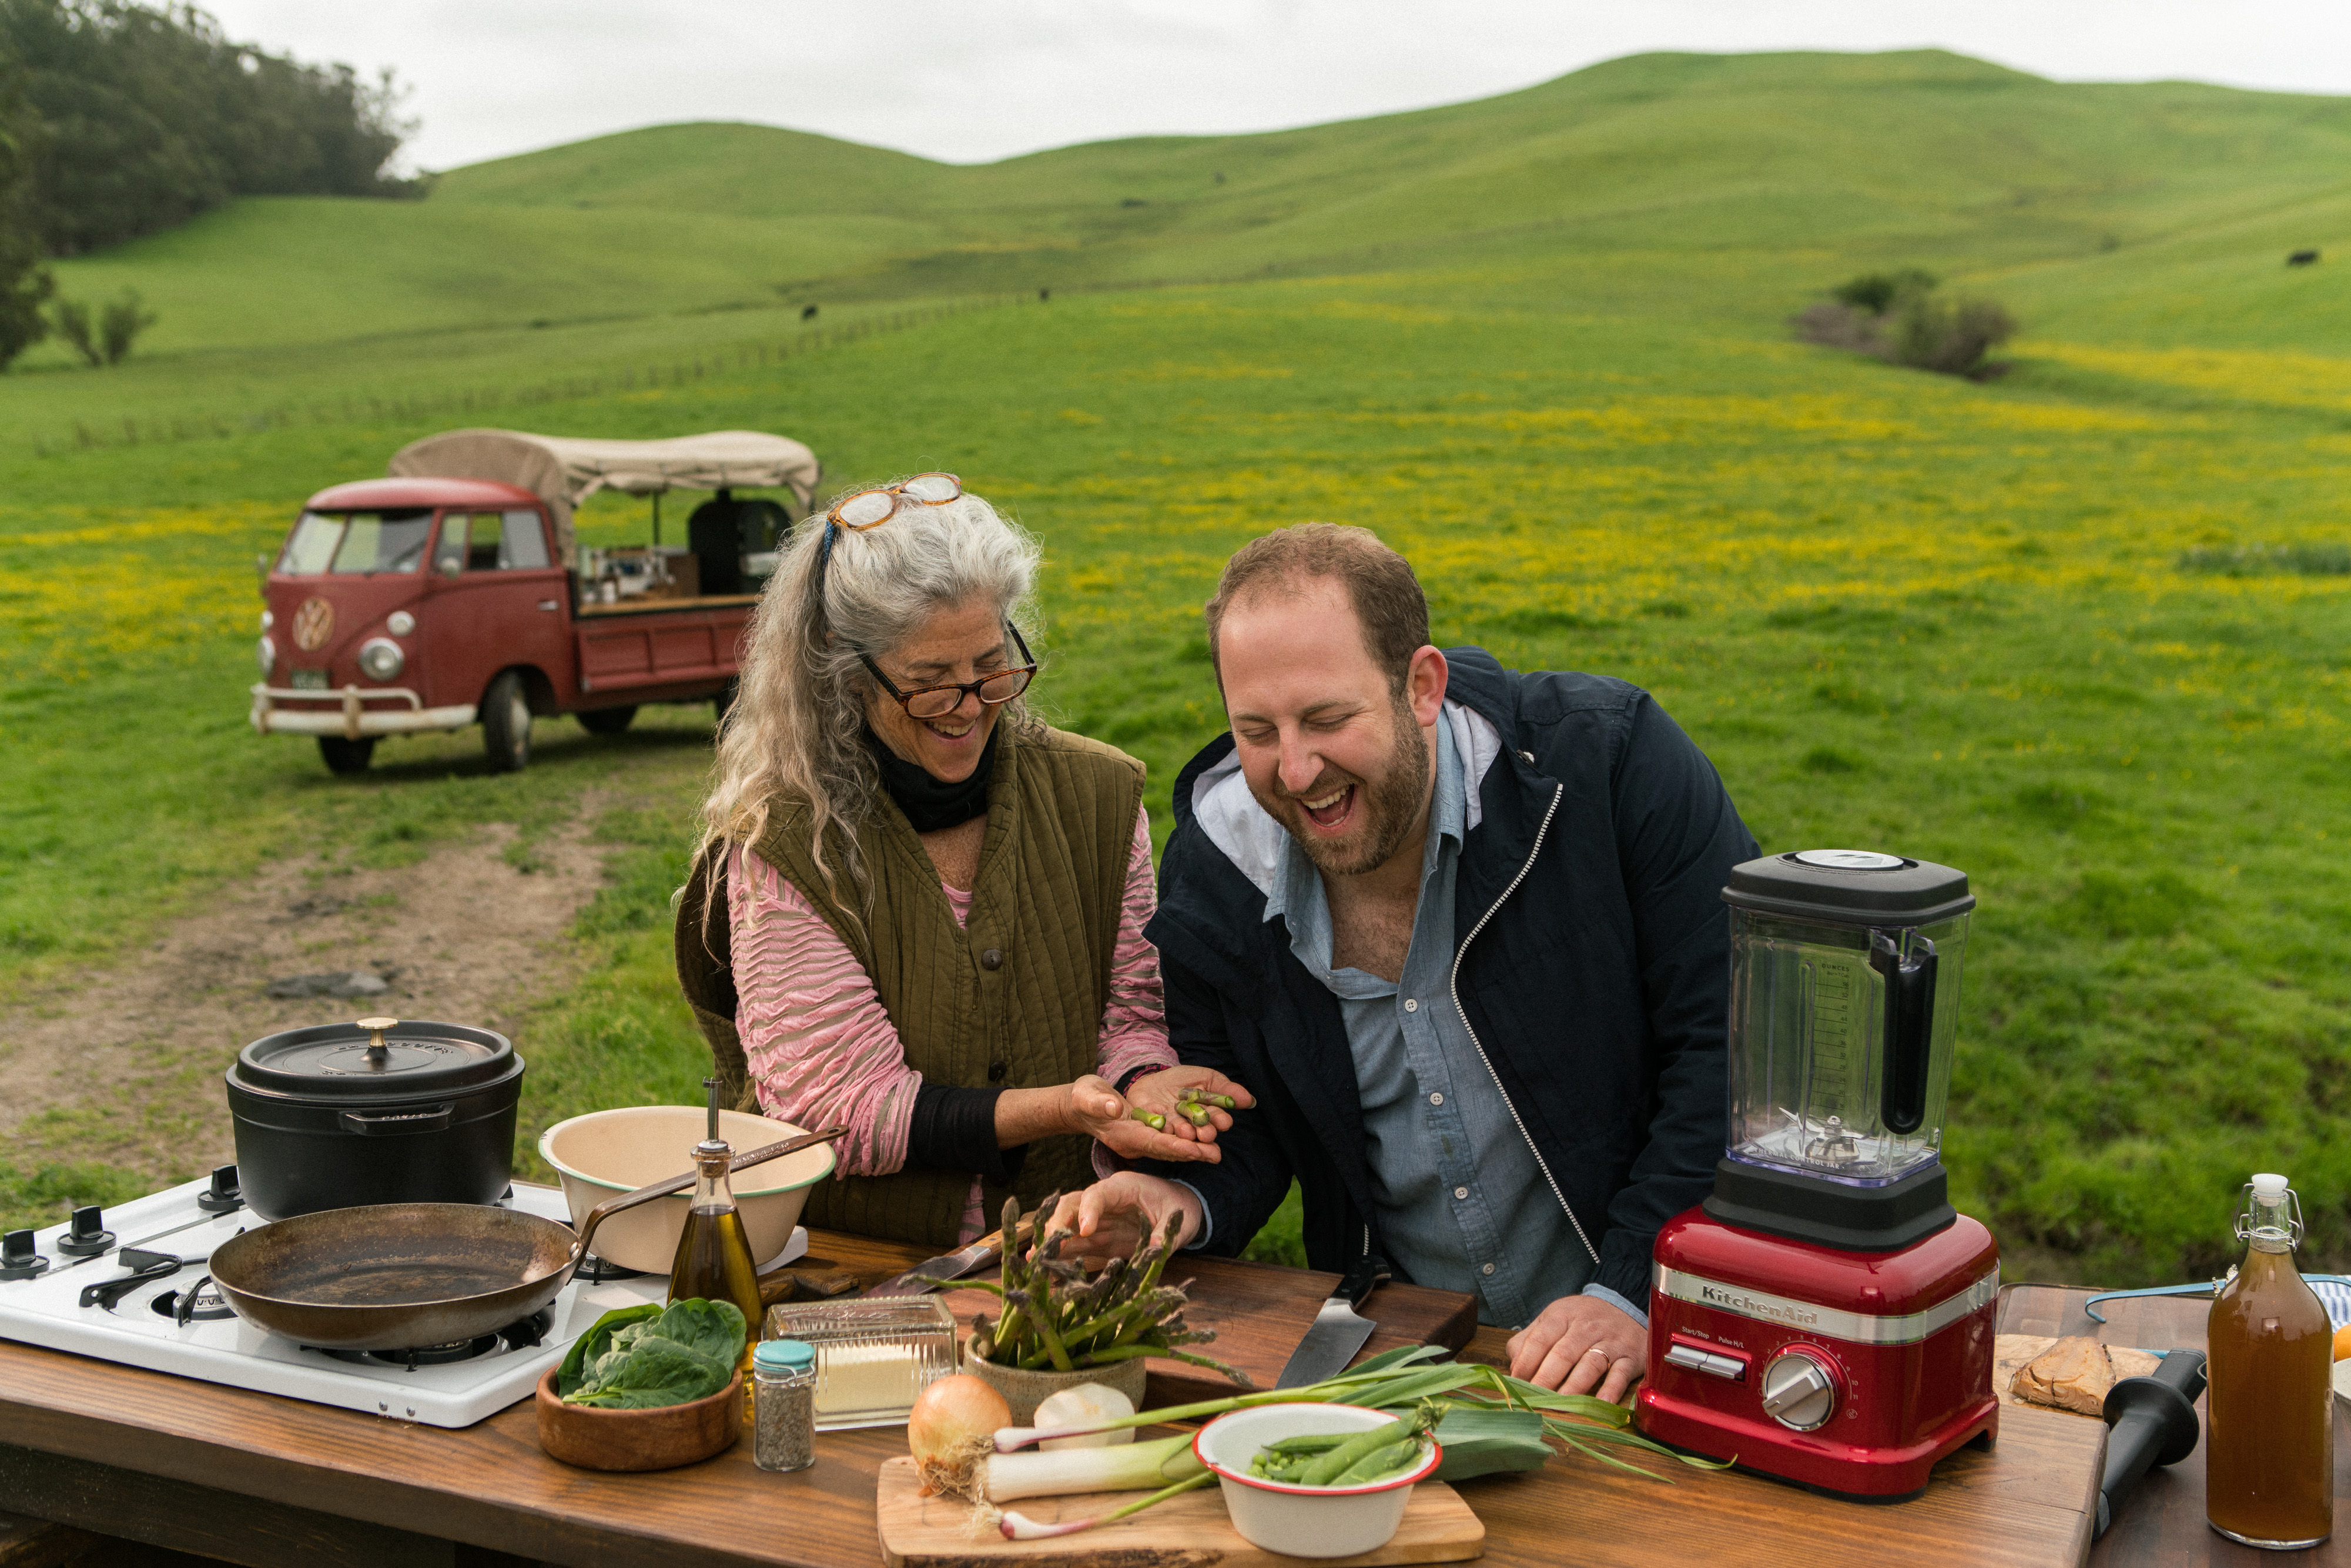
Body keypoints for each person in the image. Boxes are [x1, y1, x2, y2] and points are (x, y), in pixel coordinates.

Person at [1051, 524, 1756, 1398]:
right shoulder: (1215, 868)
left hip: (1661, 1336)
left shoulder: (1608, 765)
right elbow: (1245, 1109)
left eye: (1327, 719)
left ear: (1422, 686)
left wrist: (1633, 1290)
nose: (1297, 770)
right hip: (1409, 1365)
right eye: (1255, 730)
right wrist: (1176, 1200)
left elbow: (1733, 1048)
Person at [675, 474, 1252, 1249]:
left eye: (989, 664)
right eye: (928, 683)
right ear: (847, 675)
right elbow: (840, 1111)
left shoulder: (1098, 796)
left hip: (1071, 1252)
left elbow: (1132, 1012)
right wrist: (1061, 1109)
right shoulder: (788, 843)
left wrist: (1138, 1084)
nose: (970, 705)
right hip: (866, 1266)